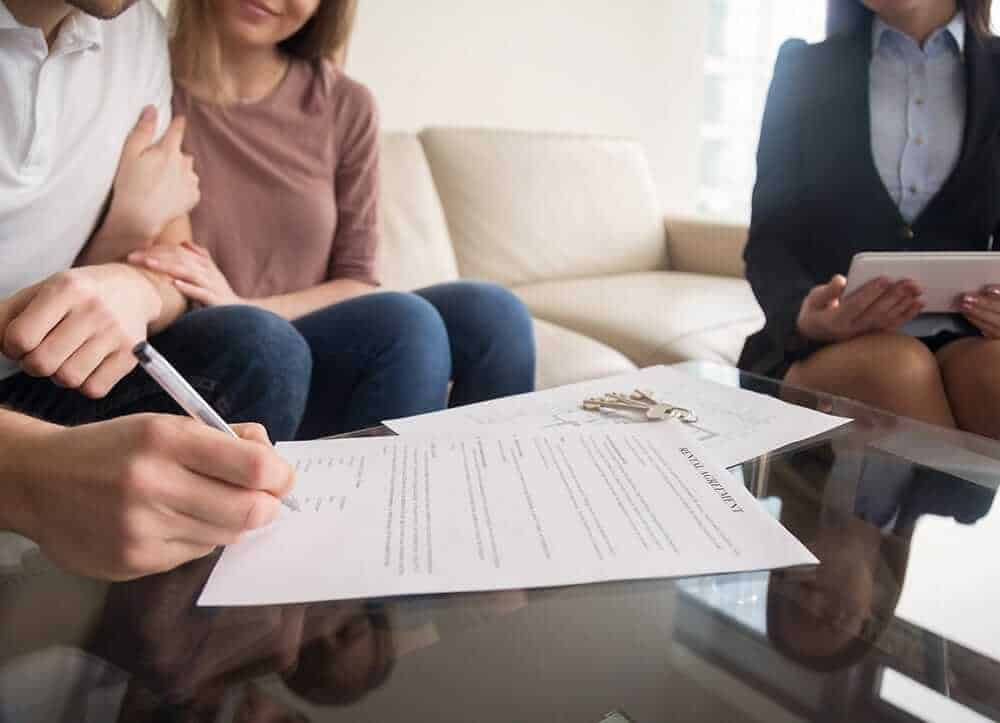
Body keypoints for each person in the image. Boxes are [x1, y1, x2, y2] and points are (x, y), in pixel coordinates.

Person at [122, 0, 537, 439]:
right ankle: (386, 503)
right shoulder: (142, 82)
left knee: (493, 313)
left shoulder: (344, 103)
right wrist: (233, 312)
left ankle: (481, 494)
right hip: (219, 349)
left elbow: (356, 279)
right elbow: (166, 264)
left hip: (301, 334)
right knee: (404, 324)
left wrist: (243, 303)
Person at [0, 0, 313, 581]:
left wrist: (134, 287)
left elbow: (174, 268)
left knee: (263, 346)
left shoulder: (133, 29)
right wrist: (26, 470)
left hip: (59, 373)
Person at [739, 0, 1000, 438]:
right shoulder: (804, 68)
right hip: (825, 344)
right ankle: (947, 505)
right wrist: (806, 316)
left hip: (965, 333)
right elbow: (769, 243)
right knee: (895, 369)